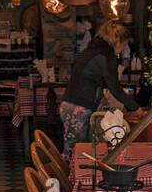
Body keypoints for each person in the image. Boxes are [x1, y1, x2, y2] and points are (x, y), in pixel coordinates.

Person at [59, 21, 140, 158]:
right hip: (79, 108)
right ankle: (69, 178)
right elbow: (115, 89)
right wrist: (135, 107)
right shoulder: (106, 56)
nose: (124, 48)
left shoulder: (93, 50)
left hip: (71, 105)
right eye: (125, 44)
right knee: (75, 152)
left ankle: (74, 177)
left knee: (76, 149)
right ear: (118, 41)